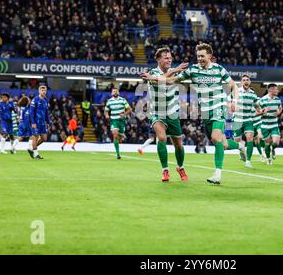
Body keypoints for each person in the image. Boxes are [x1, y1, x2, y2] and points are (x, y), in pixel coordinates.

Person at [142, 43, 245, 185]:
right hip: (205, 112)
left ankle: (217, 174)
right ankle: (240, 146)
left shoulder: (219, 69)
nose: (200, 59)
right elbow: (171, 80)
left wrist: (235, 100)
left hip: (219, 107)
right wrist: (152, 78)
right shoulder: (193, 70)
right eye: (198, 56)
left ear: (210, 56)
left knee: (215, 138)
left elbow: (233, 85)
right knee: (224, 143)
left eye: (202, 56)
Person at [142, 46, 188, 182]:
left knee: (178, 144)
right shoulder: (152, 72)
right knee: (161, 137)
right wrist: (174, 70)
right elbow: (158, 79)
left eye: (170, 57)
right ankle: (165, 170)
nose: (169, 60)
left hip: (173, 113)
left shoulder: (175, 73)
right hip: (157, 113)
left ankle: (180, 167)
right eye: (166, 58)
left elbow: (169, 79)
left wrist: (175, 71)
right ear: (158, 59)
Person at [231, 75, 260, 168]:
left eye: (247, 80)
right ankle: (241, 150)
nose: (245, 81)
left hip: (248, 120)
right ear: (241, 82)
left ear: (250, 82)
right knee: (237, 141)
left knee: (250, 137)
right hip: (237, 120)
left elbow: (256, 105)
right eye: (243, 80)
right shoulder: (236, 92)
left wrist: (260, 110)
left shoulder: (253, 94)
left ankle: (248, 161)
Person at [258, 84, 282, 166]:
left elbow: (280, 108)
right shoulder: (262, 100)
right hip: (265, 126)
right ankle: (268, 159)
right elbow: (256, 112)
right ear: (270, 90)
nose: (277, 91)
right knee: (268, 143)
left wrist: (279, 112)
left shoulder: (277, 99)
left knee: (276, 142)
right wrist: (263, 111)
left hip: (274, 125)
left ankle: (273, 149)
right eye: (276, 89)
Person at [104, 87, 132, 159]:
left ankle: (121, 137)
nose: (115, 92)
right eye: (114, 91)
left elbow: (129, 109)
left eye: (116, 91)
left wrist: (124, 114)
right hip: (114, 120)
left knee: (120, 139)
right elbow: (106, 111)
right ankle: (118, 154)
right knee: (115, 134)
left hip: (121, 121)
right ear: (111, 93)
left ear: (118, 92)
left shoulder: (123, 100)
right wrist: (107, 116)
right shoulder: (109, 101)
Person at [30, 85, 51, 160]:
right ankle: (36, 154)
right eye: (42, 90)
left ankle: (31, 149)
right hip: (36, 122)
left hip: (42, 123)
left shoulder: (46, 100)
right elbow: (31, 112)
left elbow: (46, 113)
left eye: (45, 90)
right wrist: (33, 122)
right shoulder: (35, 100)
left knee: (44, 138)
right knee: (35, 137)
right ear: (39, 91)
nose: (44, 92)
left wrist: (48, 122)